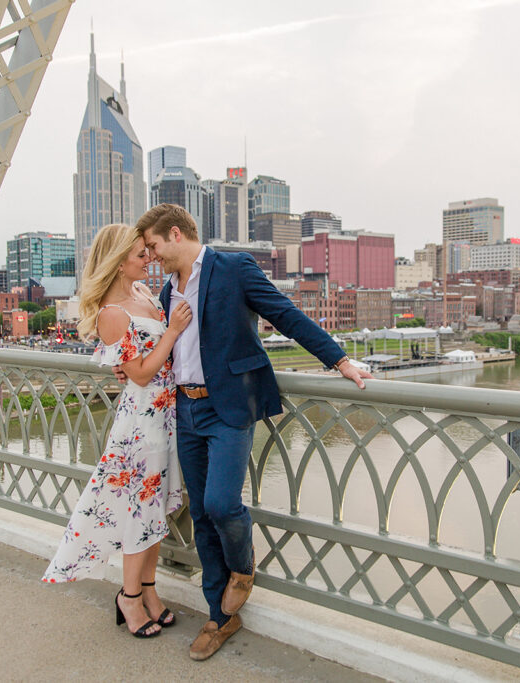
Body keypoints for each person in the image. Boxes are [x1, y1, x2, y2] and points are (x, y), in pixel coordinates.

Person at [129, 204, 372, 661]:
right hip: (185, 410)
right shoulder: (166, 290)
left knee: (222, 504)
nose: (153, 255)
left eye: (155, 246)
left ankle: (242, 568)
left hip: (229, 407)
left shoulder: (233, 267)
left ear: (176, 234)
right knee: (201, 515)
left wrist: (339, 361)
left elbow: (286, 315)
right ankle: (219, 617)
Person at [42, 223, 194, 640]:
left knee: (156, 508)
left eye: (148, 252)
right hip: (141, 424)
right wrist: (174, 331)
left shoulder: (144, 295)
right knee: (138, 511)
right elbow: (141, 374)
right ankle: (128, 597)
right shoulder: (113, 313)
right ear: (118, 260)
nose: (148, 259)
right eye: (140, 254)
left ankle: (148, 590)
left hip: (166, 418)